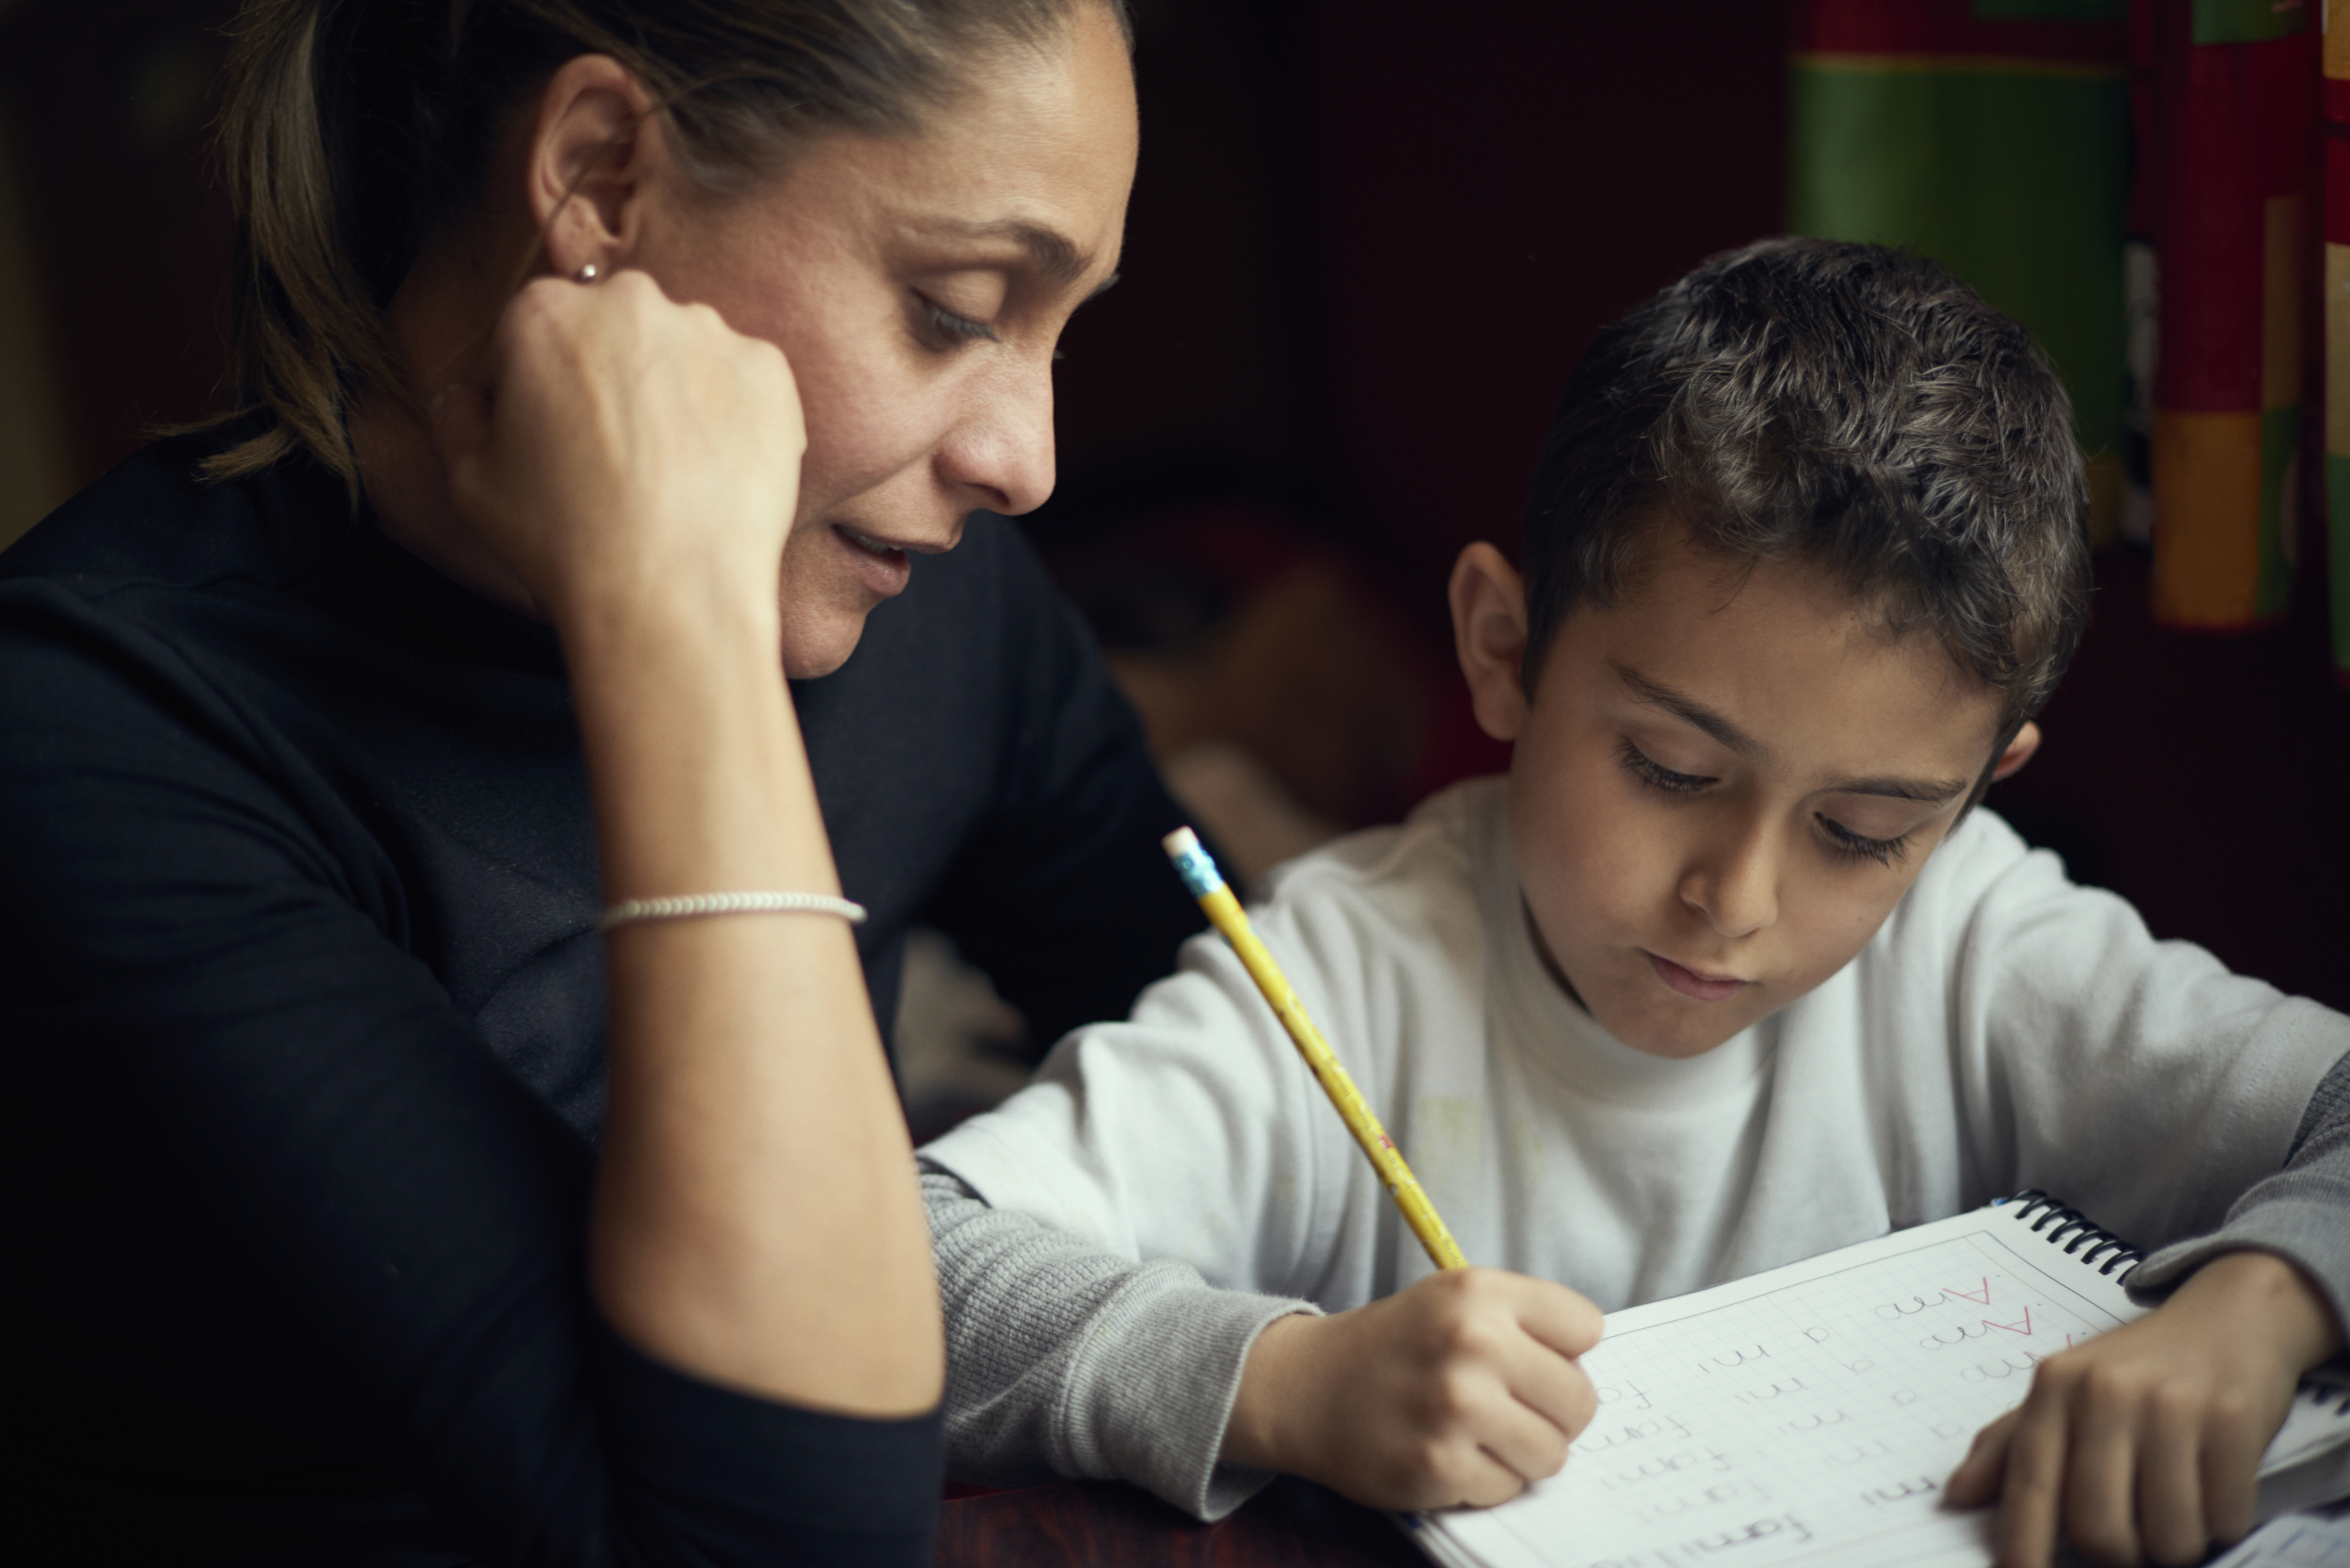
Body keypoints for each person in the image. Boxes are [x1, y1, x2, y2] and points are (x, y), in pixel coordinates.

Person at [918, 239, 2350, 1568]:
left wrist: (2265, 1299)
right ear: (1503, 649)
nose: (1736, 897)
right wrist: (1282, 1384)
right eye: (1670, 769)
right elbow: (911, 1266)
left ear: (1974, 793)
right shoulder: (1341, 984)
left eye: (1861, 832)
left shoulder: (1971, 939)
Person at [0, 0, 1191, 1562]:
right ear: (601, 179)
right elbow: (787, 1541)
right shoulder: (96, 729)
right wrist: (671, 617)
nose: (1025, 459)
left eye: (1062, 326)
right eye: (957, 307)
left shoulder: (923, 593)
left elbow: (1233, 1049)